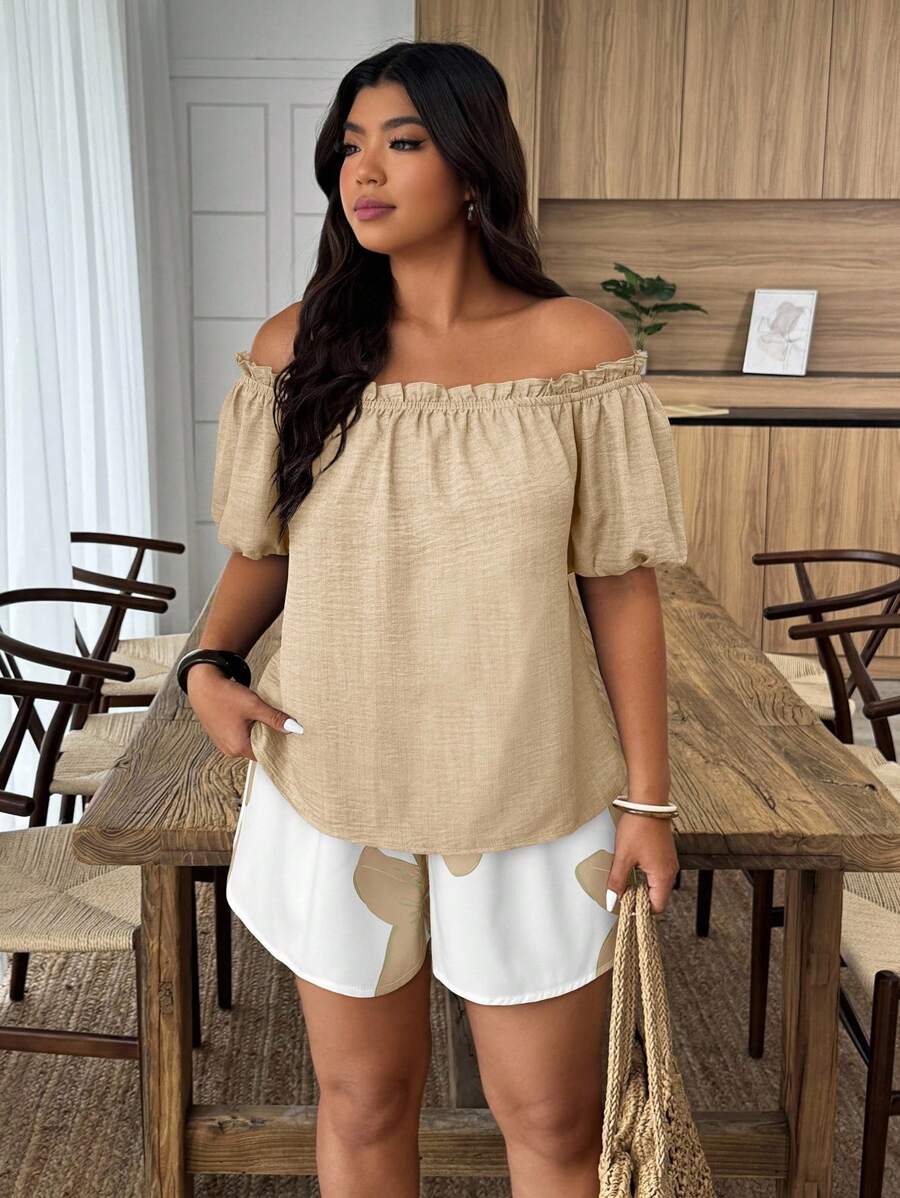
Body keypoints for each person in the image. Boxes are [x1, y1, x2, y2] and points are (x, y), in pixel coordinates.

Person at [183, 39, 687, 1198]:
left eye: (401, 142)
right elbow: (264, 549)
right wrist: (207, 662)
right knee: (363, 1101)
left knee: (552, 1118)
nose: (363, 171)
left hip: (530, 782)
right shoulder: (297, 348)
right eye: (349, 146)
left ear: (470, 165)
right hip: (332, 776)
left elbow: (621, 583)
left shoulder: (579, 353)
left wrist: (649, 801)